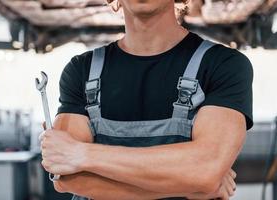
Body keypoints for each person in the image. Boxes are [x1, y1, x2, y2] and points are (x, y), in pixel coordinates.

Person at [40, 0, 253, 199]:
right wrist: (189, 186)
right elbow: (66, 179)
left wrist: (82, 154)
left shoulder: (223, 65)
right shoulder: (81, 71)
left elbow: (205, 169)